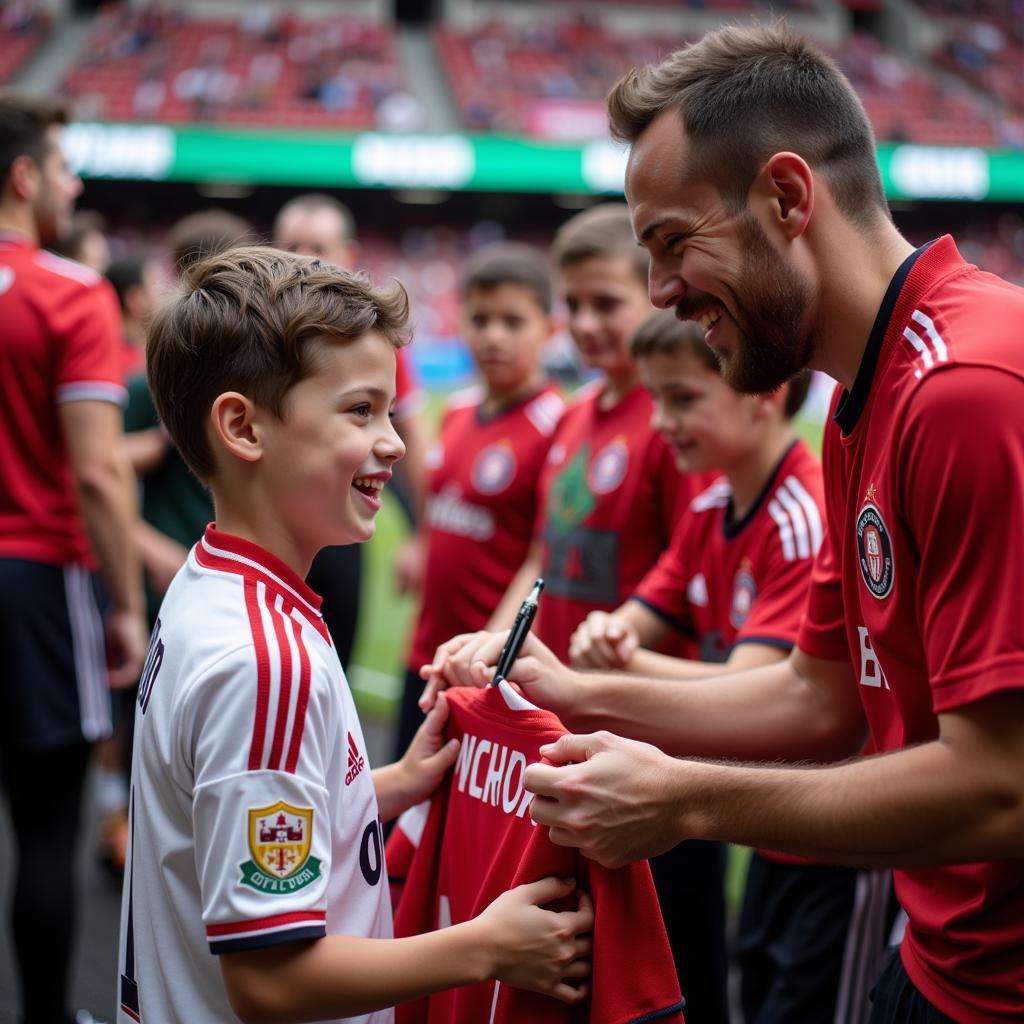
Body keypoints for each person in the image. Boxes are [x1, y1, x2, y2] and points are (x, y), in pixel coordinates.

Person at [423, 24, 1024, 1024]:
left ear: (788, 198)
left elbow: (1004, 784)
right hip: (935, 957)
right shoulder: (859, 400)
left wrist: (687, 800)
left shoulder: (967, 389)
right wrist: (575, 692)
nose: (658, 293)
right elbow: (818, 695)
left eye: (672, 243)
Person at [118, 245, 594, 1023]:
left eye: (391, 411)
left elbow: (226, 822)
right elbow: (272, 981)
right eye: (360, 411)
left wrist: (391, 785)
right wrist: (487, 945)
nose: (397, 443)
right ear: (243, 426)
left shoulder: (211, 583)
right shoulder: (265, 666)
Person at [571, 310, 891, 1024]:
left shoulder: (799, 516)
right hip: (769, 817)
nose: (660, 422)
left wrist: (608, 677)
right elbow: (641, 611)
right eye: (655, 399)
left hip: (838, 836)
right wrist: (609, 630)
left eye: (682, 398)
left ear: (763, 393)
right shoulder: (712, 503)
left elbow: (767, 691)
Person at [486, 205, 722, 1022]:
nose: (585, 324)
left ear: (652, 297)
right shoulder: (576, 414)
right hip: (571, 728)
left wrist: (616, 641)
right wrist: (499, 633)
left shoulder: (675, 424)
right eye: (573, 305)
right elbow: (544, 556)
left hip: (654, 744)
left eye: (605, 304)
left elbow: (691, 568)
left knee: (670, 967)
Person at [0, 91, 146, 1024]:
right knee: (46, 835)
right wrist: (125, 604)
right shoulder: (68, 289)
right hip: (36, 583)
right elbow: (97, 473)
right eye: (63, 167)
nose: (74, 182)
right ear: (24, 178)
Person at [393, 241, 564, 758]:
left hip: (487, 666)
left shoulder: (558, 425)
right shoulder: (458, 411)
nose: (493, 336)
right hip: (425, 655)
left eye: (513, 321)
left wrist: (492, 647)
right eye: (480, 319)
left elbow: (544, 556)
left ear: (549, 330)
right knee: (406, 819)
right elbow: (444, 502)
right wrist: (421, 543)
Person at [273, 192, 428, 668]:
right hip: (267, 533)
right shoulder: (253, 333)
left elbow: (411, 435)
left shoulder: (373, 340)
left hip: (338, 535)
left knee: (333, 668)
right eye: (291, 245)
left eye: (316, 245)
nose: (302, 258)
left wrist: (423, 534)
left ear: (348, 255)